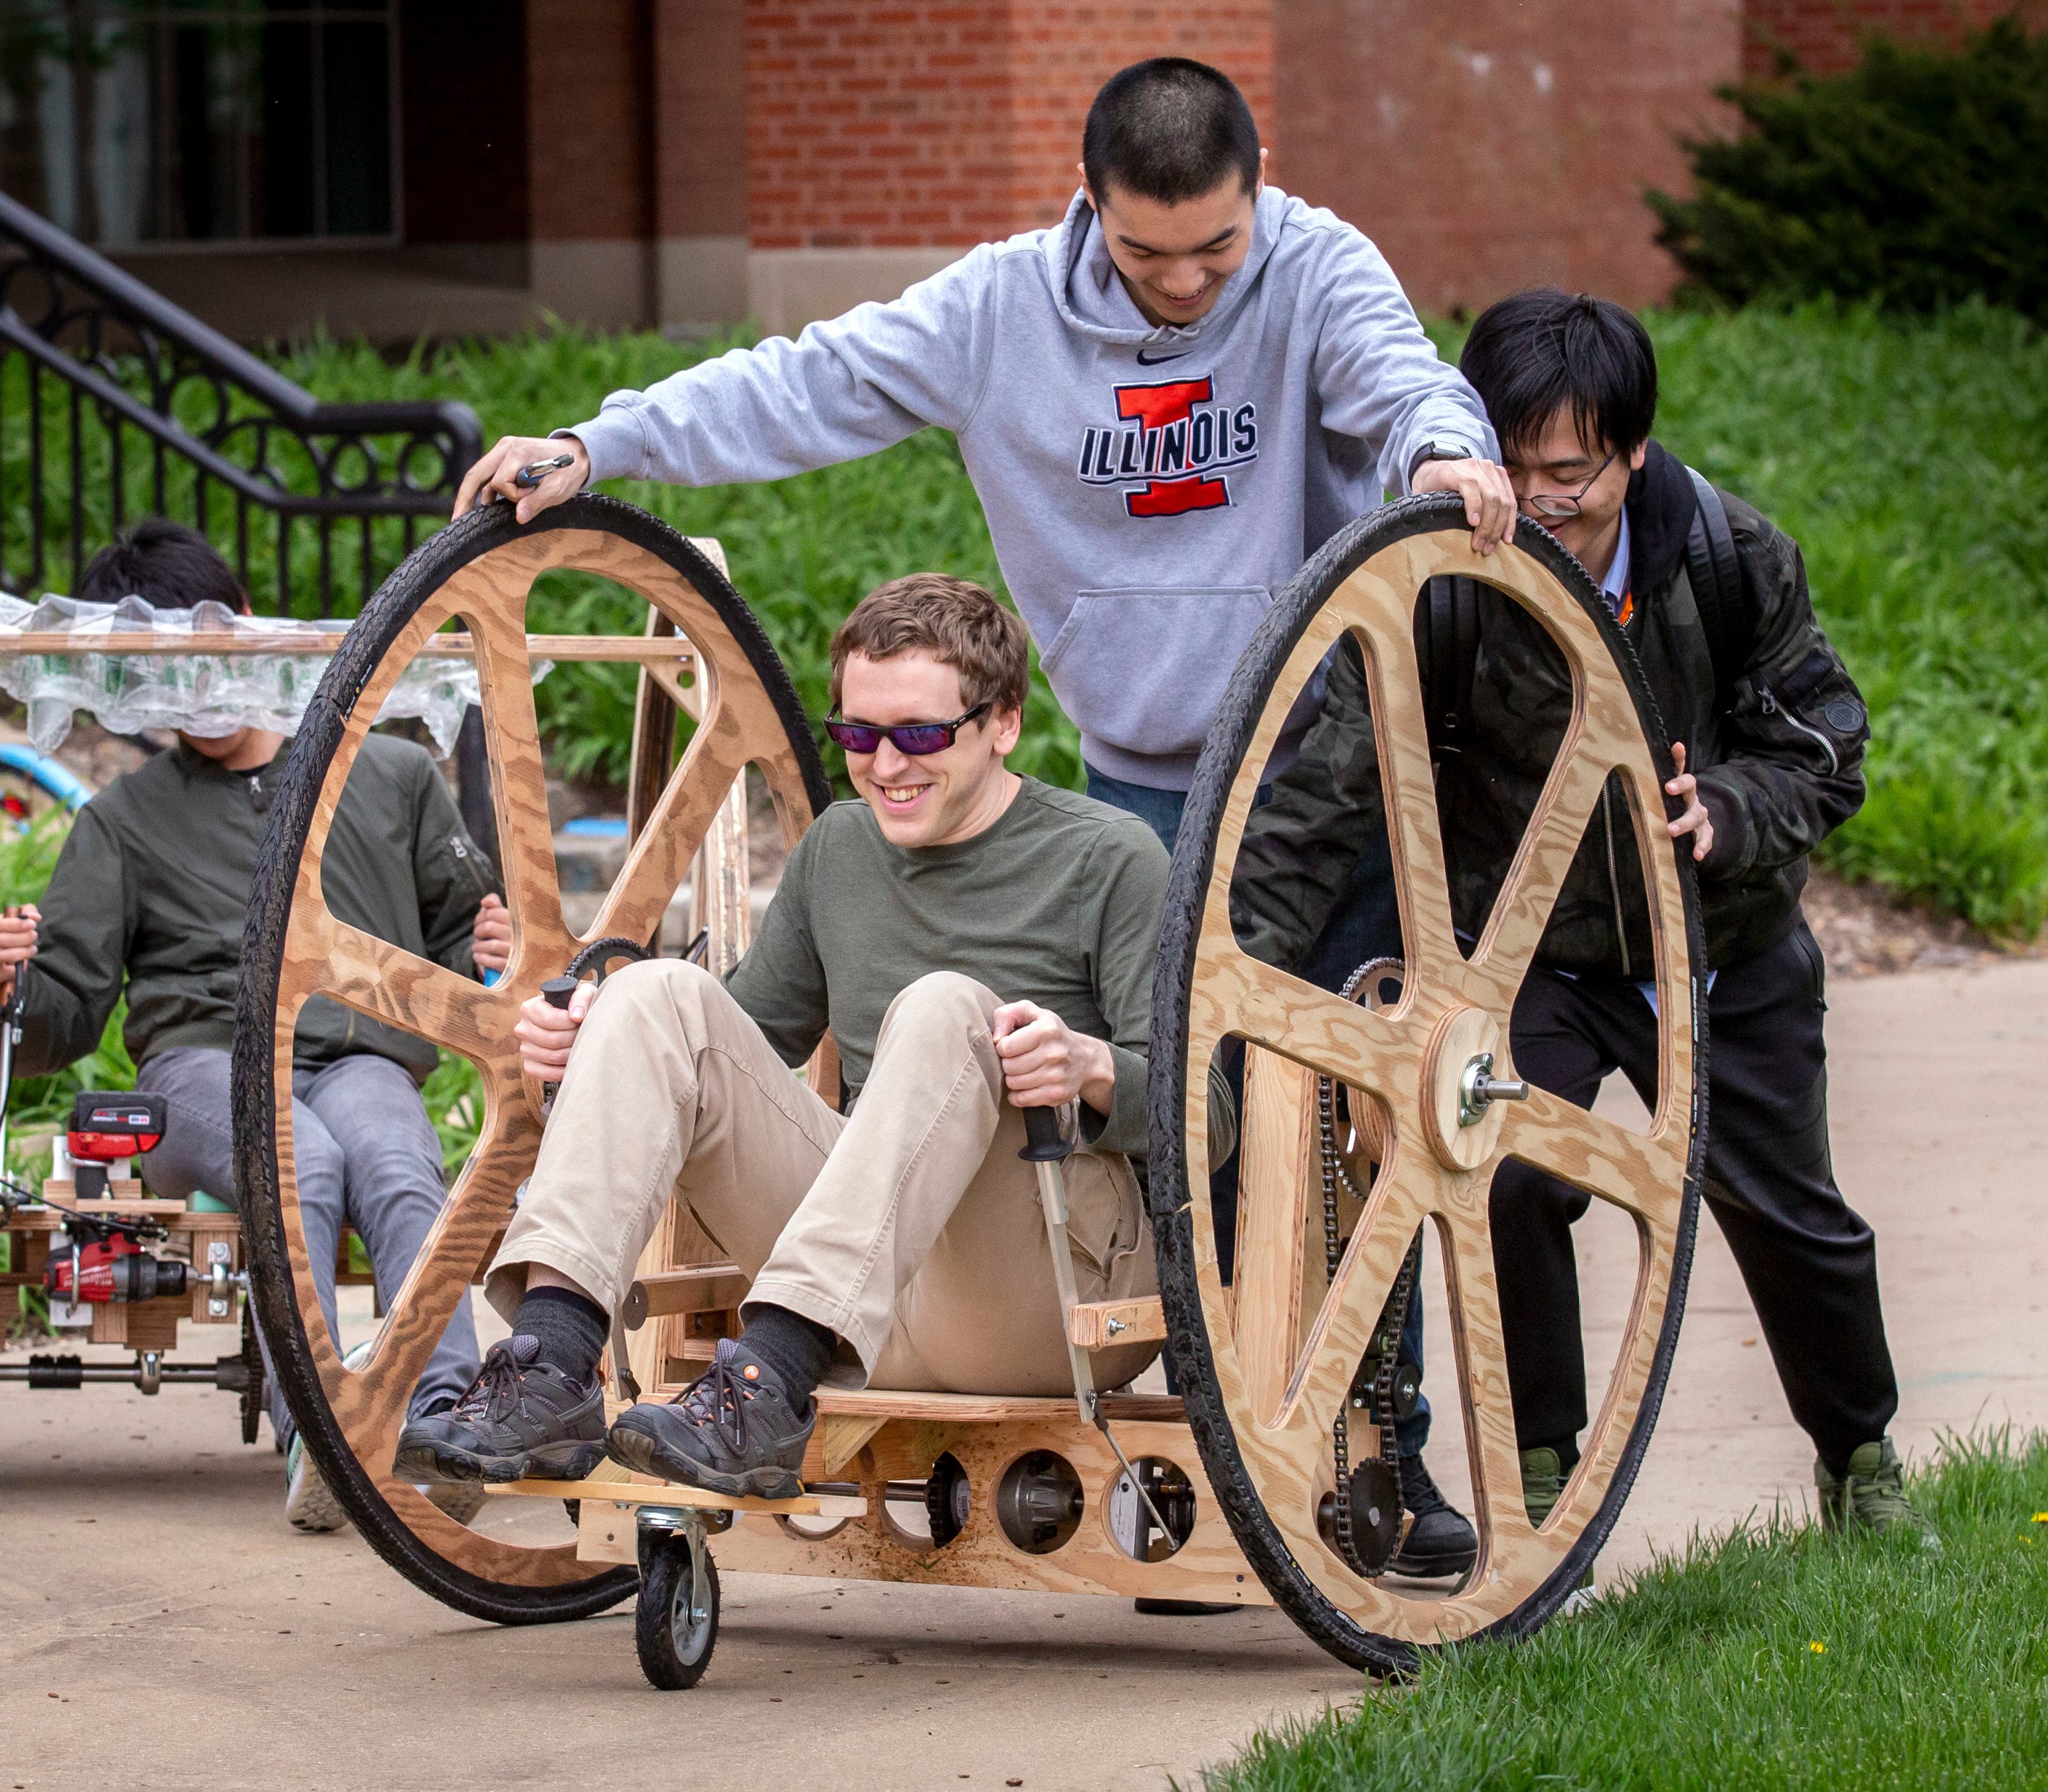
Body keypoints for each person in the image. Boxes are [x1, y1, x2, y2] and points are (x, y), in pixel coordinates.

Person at [449, 56, 1503, 1581]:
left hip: (1318, 762)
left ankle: (1377, 1454)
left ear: (1258, 181)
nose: (1192, 284)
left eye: (1220, 246)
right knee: (1036, 1069)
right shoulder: (1001, 312)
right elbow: (798, 381)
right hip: (1143, 755)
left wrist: (1441, 453)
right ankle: (554, 1363)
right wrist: (606, 446)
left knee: (1348, 1112)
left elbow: (1402, 375)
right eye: (1151, 256)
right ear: (1090, 210)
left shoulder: (1313, 266)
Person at [1231, 289, 1934, 1544]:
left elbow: (1827, 743)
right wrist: (1228, 979)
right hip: (1538, 953)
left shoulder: (1728, 555)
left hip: (1720, 948)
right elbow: (1318, 799)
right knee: (1502, 1182)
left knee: (1789, 1211)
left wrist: (1727, 806)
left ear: (1635, 452)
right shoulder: (1439, 580)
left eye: (1575, 473)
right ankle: (1542, 1470)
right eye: (1517, 467)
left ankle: (1860, 1458)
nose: (1545, 500)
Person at [396, 576, 1215, 1507]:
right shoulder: (839, 851)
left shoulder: (1108, 858)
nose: (886, 764)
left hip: (1044, 1297)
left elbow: (1213, 1119)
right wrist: (596, 1038)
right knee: (658, 992)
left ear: (1004, 724)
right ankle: (553, 1364)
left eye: (919, 734)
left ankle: (766, 1382)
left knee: (947, 1007)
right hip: (863, 1297)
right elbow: (722, 1048)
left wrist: (1091, 1066)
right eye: (859, 736)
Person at [0, 519, 505, 1534]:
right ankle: (316, 1434)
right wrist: (10, 987)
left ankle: (444, 1422)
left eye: (209, 651)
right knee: (301, 1164)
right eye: (166, 673)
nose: (199, 694)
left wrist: (497, 946)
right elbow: (61, 1017)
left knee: (399, 1165)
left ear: (242, 630)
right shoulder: (123, 821)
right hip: (204, 1071)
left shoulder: (391, 776)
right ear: (132, 681)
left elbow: (466, 958)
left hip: (359, 1052)